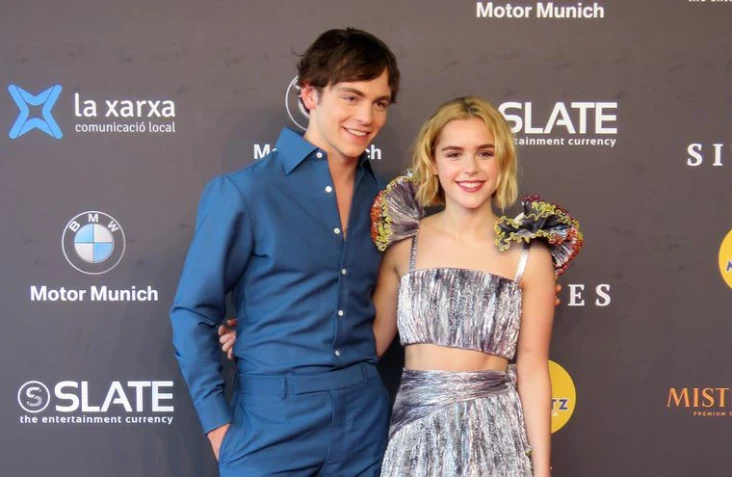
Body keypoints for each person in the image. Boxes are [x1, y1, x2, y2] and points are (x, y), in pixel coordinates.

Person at [170, 28, 400, 476]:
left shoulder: (388, 200)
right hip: (270, 421)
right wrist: (218, 427)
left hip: (364, 419)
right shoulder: (245, 191)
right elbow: (192, 312)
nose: (366, 116)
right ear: (309, 94)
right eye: (351, 97)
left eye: (380, 102)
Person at [370, 96, 583, 476]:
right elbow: (364, 348)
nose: (471, 168)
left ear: (503, 161)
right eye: (454, 154)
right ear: (433, 162)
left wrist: (541, 470)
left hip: (497, 441)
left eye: (485, 153)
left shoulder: (529, 256)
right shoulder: (404, 249)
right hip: (416, 442)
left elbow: (533, 371)